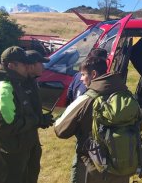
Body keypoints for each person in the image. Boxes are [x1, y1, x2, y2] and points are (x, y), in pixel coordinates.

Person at [54, 56, 130, 183]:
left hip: (93, 166)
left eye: (83, 74)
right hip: (122, 163)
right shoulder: (127, 96)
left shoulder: (86, 99)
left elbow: (60, 130)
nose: (81, 78)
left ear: (93, 74)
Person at [0, 46, 44, 183]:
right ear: (11, 65)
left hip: (24, 145)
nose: (27, 67)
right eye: (24, 64)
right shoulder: (4, 87)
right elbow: (7, 125)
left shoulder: (18, 82)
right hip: (13, 151)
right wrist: (35, 120)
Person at [66, 48, 108, 183]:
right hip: (92, 132)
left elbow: (69, 96)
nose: (82, 77)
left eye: (83, 74)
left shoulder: (77, 78)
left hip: (81, 127)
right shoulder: (99, 91)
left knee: (82, 160)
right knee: (88, 162)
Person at [24, 50, 55, 183]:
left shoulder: (32, 81)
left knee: (32, 172)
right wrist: (39, 120)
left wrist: (41, 119)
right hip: (20, 142)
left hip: (32, 137)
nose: (43, 67)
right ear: (30, 66)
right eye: (40, 63)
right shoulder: (19, 85)